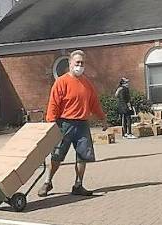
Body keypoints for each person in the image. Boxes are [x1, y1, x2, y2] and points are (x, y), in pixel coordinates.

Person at [38, 50, 108, 197]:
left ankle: (78, 185)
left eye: (82, 63)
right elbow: (53, 104)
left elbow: (94, 103)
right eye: (77, 63)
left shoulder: (87, 84)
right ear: (70, 63)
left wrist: (102, 118)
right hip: (64, 124)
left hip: (82, 125)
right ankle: (47, 182)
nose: (80, 65)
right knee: (57, 155)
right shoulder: (61, 82)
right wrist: (51, 123)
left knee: (83, 156)